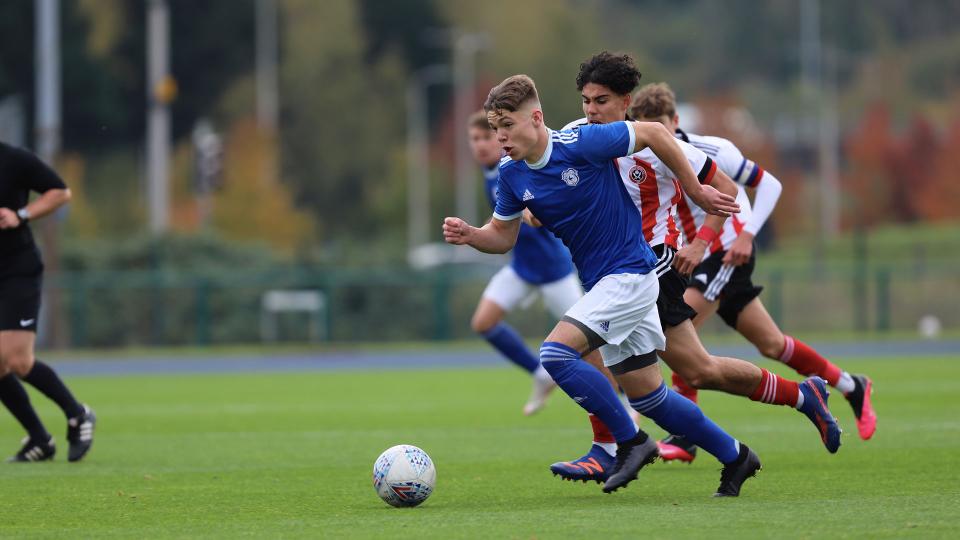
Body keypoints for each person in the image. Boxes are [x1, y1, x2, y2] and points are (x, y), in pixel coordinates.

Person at [444, 74, 761, 497]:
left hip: (630, 274)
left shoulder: (580, 144)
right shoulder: (511, 174)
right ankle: (737, 456)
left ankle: (628, 442)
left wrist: (696, 191)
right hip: (604, 285)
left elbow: (650, 132)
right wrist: (471, 234)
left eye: (507, 126)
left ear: (536, 118)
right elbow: (502, 237)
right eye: (494, 127)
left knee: (556, 354)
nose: (500, 136)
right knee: (652, 398)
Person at [549, 52, 841, 480]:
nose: (592, 110)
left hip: (653, 263)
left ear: (626, 101)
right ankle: (800, 398)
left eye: (602, 100)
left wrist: (702, 243)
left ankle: (609, 446)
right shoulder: (577, 135)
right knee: (696, 372)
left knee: (581, 344)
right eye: (586, 101)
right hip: (614, 266)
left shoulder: (658, 145)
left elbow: (723, 188)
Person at [630, 82, 876, 462]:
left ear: (675, 121)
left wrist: (746, 234)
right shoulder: (641, 157)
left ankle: (683, 438)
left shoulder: (711, 150)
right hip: (693, 257)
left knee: (681, 329)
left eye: (660, 126)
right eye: (645, 127)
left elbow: (769, 183)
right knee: (772, 344)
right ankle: (850, 385)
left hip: (725, 252)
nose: (653, 135)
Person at [0, 141, 96, 462]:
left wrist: (21, 214)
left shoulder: (13, 159)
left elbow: (60, 192)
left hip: (17, 271)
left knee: (16, 359)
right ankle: (40, 440)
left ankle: (78, 413)